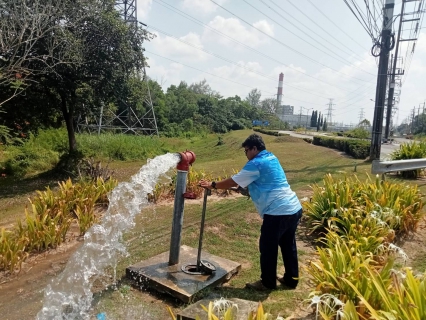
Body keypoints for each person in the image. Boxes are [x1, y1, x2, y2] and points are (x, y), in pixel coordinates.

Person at [198, 133, 302, 291]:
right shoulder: (272, 158)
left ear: (254, 148)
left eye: (246, 150)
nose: (246, 154)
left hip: (277, 212)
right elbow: (263, 182)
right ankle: (291, 279)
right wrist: (244, 189)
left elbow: (234, 180)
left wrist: (213, 185)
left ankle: (267, 283)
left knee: (268, 247)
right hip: (293, 208)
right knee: (288, 244)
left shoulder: (256, 163)